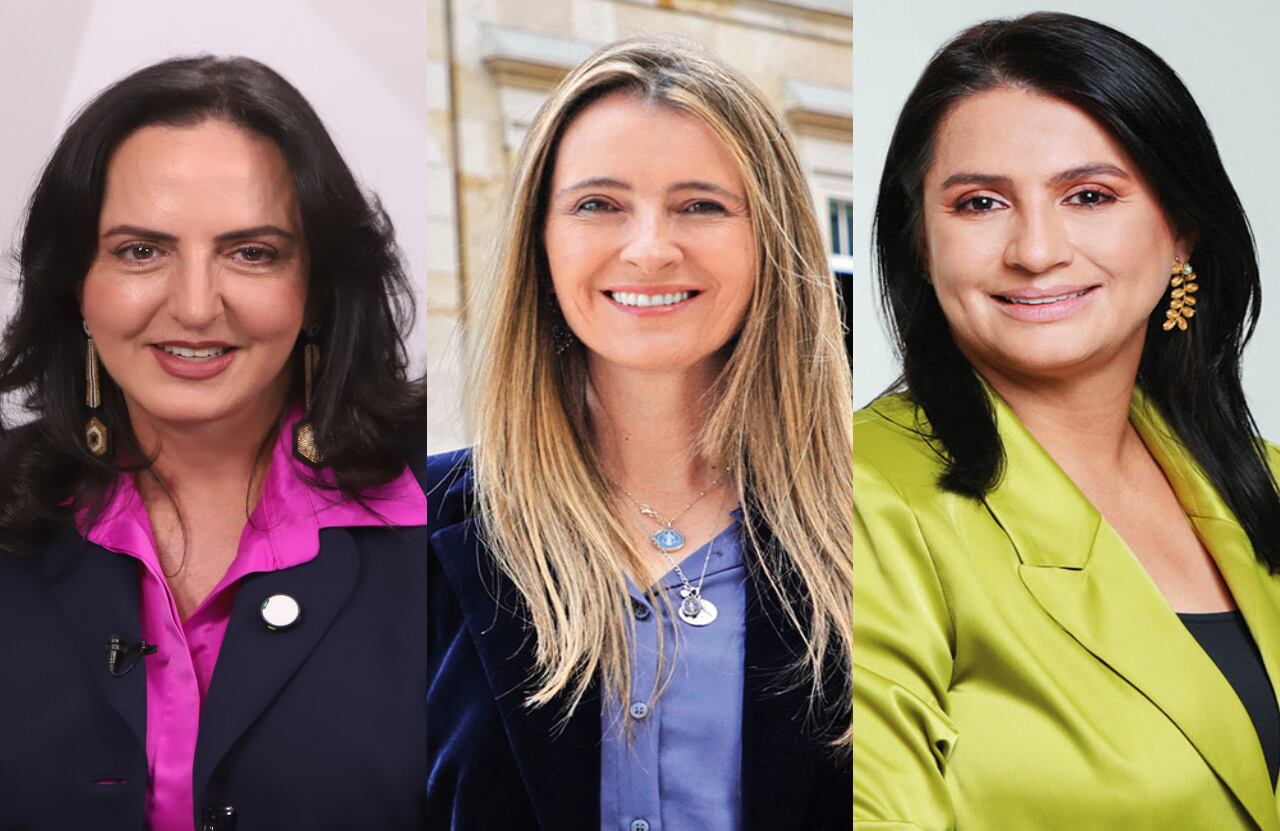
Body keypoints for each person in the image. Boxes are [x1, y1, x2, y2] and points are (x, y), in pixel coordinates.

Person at [854, 12, 1280, 829]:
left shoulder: (1260, 480)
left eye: (1089, 195)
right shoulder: (865, 499)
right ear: (921, 240)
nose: (1037, 249)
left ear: (1180, 228)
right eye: (980, 203)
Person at [426, 36, 852, 830]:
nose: (651, 247)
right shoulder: (399, 527)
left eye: (701, 205)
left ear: (771, 239)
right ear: (541, 242)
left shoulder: (880, 535)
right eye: (599, 204)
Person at [0, 56, 427, 829]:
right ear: (77, 283)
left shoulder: (452, 510)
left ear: (318, 286)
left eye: (251, 252)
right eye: (140, 250)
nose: (196, 306)